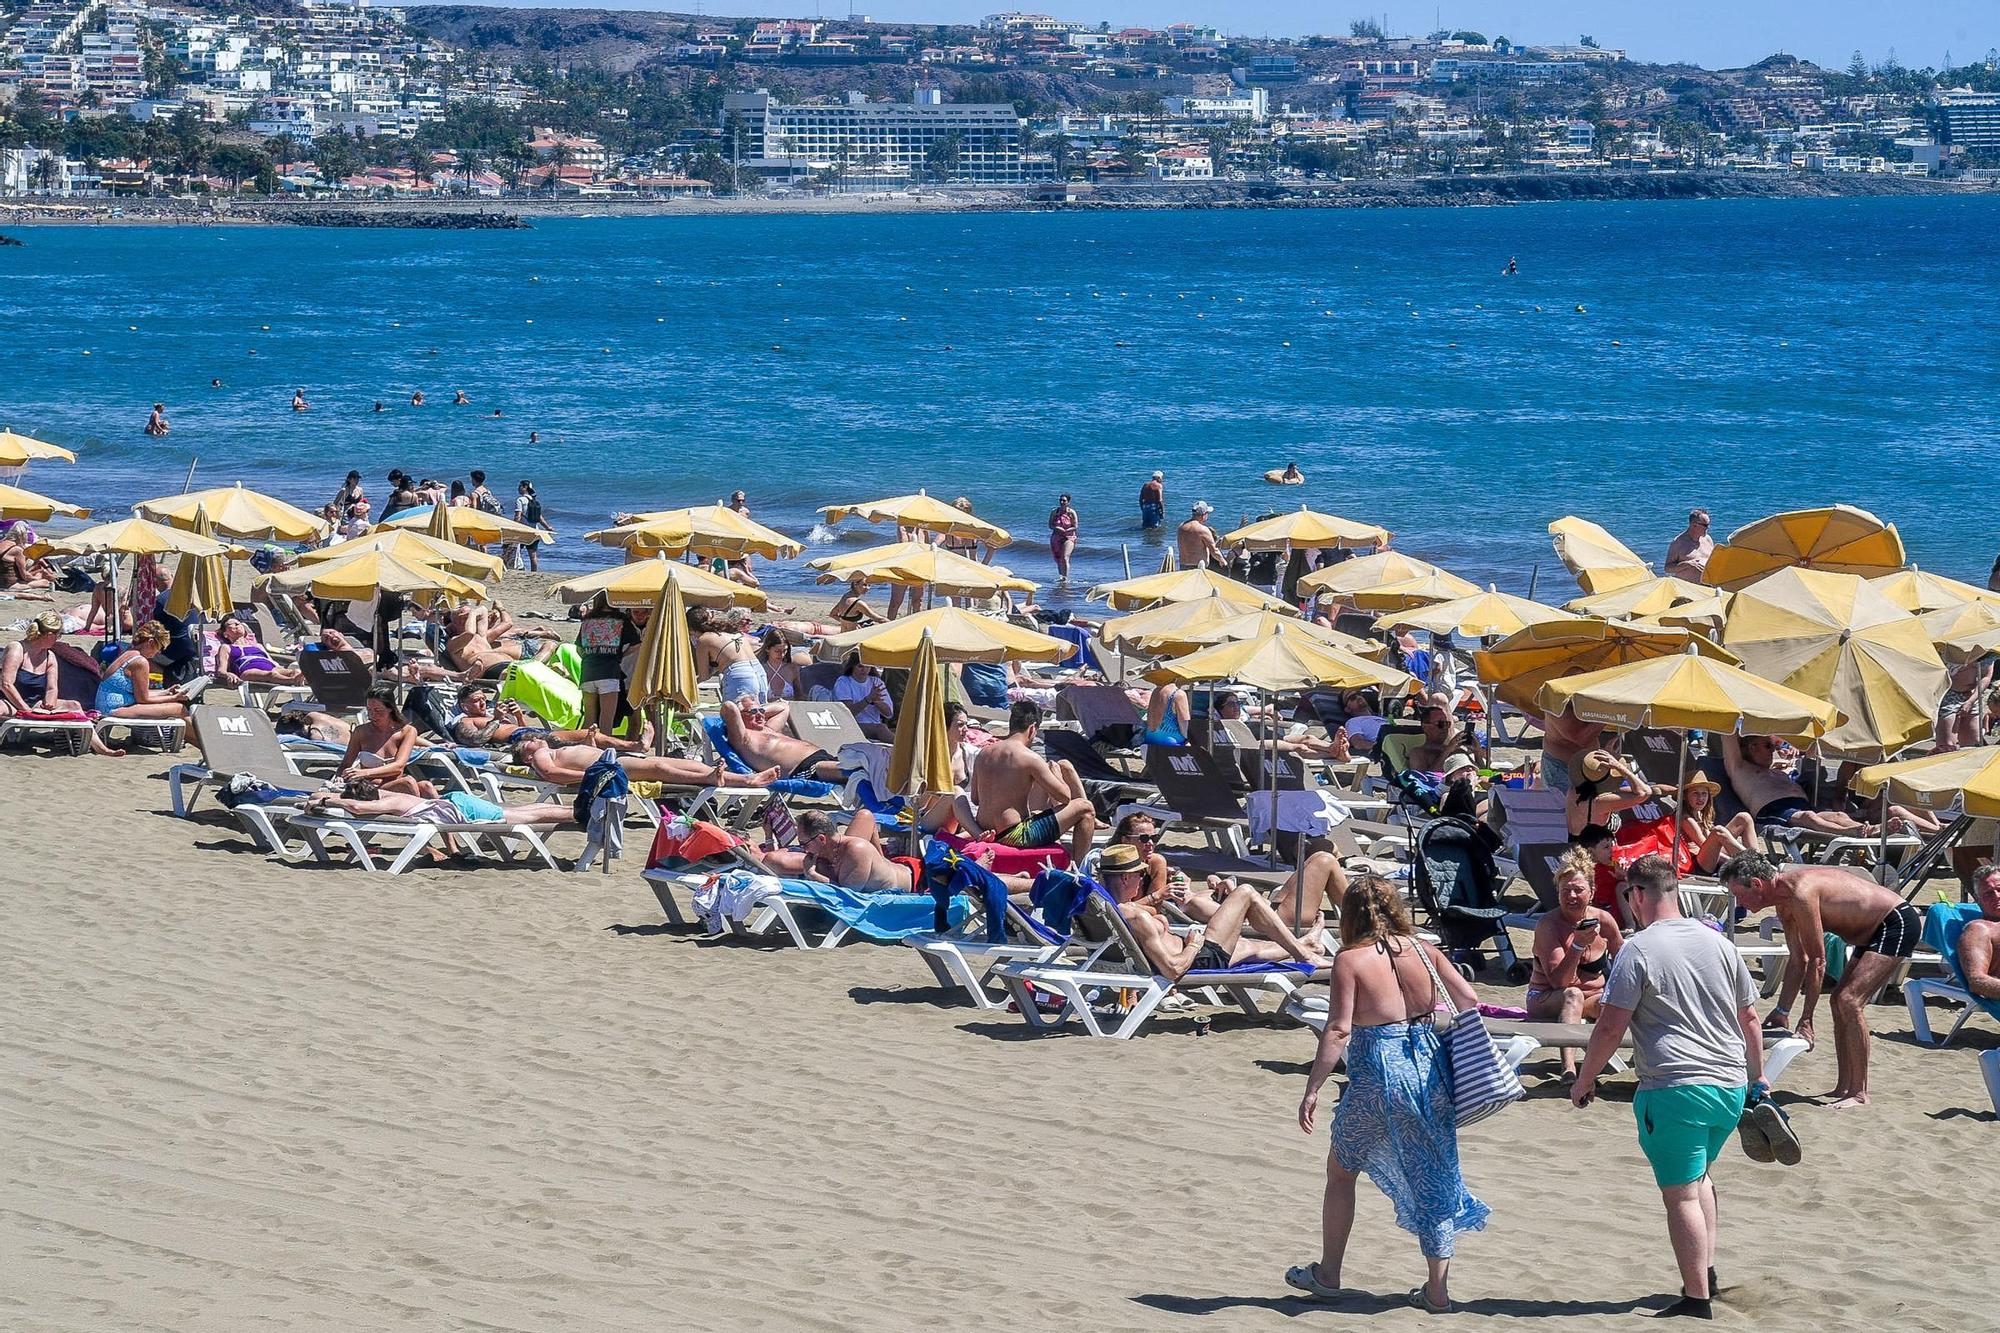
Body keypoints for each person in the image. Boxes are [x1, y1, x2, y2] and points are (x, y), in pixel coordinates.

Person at [1572, 855, 1784, 1321]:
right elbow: (1749, 1016)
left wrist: (1584, 1080)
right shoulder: (1720, 944)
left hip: (1674, 1086)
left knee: (1681, 1194)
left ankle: (1695, 1300)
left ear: (1639, 896)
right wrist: (1758, 1077)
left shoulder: (1639, 948)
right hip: (1728, 1085)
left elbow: (1610, 1026)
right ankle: (1705, 1272)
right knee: (1700, 1179)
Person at [1290, 874, 1486, 1312]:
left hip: (1378, 1074)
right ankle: (1437, 1292)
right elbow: (1469, 997)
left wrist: (1313, 1087)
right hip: (1428, 1067)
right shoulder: (1424, 949)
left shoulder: (1350, 959)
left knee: (1341, 1171)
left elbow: (1339, 1029)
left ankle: (1329, 1273)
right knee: (1433, 1174)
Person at [1720, 852, 1917, 1109]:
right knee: (1838, 1001)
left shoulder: (1800, 893)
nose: (1739, 902)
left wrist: (1807, 1020)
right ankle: (1845, 1086)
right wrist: (1782, 1011)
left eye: (1739, 894)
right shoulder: (1783, 902)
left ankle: (1860, 1092)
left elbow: (1817, 961)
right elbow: (1798, 959)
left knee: (1849, 1001)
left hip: (1895, 921)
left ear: (1757, 884)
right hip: (1870, 931)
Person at [1102, 843, 1327, 977]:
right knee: (1246, 893)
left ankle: (1306, 944)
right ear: (1125, 878)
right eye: (1140, 875)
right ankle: (1305, 954)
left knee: (1248, 946)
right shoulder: (1137, 916)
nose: (1142, 880)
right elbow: (1173, 970)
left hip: (1197, 951)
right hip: (1198, 958)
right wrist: (1193, 945)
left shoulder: (1106, 908)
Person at [1527, 846, 1626, 1073]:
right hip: (1546, 998)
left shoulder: (1604, 920)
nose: (1571, 896)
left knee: (1627, 1002)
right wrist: (1578, 944)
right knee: (1573, 994)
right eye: (1565, 890)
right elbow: (1560, 983)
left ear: (1591, 891)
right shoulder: (1549, 925)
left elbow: (1623, 963)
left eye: (1578, 890)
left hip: (1592, 999)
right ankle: (1569, 1068)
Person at [1721, 734, 1924, 840]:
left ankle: (1866, 829)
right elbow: (1727, 734)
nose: (1774, 750)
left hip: (1799, 805)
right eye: (1768, 746)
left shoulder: (1774, 769)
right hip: (1774, 810)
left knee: (1839, 816)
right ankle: (1856, 833)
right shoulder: (1739, 769)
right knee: (1809, 818)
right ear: (1751, 747)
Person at [969, 700, 1098, 864]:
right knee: (1085, 808)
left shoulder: (984, 753)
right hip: (1014, 835)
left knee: (1037, 813)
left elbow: (975, 798)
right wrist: (1055, 772)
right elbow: (1065, 797)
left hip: (985, 828)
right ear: (1032, 729)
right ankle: (1079, 867)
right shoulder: (1029, 757)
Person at [512, 736, 777, 789]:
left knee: (684, 764)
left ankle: (747, 779)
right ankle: (708, 778)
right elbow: (551, 773)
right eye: (530, 741)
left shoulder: (552, 750)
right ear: (526, 754)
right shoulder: (539, 756)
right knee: (659, 769)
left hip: (613, 762)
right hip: (608, 768)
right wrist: (593, 776)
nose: (535, 738)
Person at [95, 620, 197, 733]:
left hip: (106, 705)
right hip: (114, 710)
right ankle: (202, 743)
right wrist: (174, 698)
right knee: (179, 708)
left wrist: (166, 692)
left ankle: (195, 740)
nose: (158, 652)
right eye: (159, 647)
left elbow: (140, 693)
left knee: (173, 706)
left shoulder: (128, 653)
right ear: (150, 642)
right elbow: (143, 699)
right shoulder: (140, 662)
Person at [336, 685, 436, 798]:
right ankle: (419, 809)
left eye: (378, 710)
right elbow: (345, 764)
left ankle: (443, 813)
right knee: (408, 782)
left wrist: (364, 772)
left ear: (390, 709)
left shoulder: (407, 732)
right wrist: (339, 776)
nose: (372, 715)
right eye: (369, 710)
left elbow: (398, 766)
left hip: (397, 785)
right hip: (370, 788)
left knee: (427, 786)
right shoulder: (361, 732)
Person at [722, 696, 844, 782]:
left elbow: (783, 707)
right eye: (753, 712)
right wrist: (745, 709)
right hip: (805, 768)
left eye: (762, 711)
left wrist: (758, 709)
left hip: (823, 757)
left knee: (858, 765)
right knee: (854, 771)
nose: (760, 715)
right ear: (740, 715)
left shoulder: (769, 728)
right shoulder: (742, 738)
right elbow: (729, 706)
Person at [794, 809, 916, 891]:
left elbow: (848, 894)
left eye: (804, 844)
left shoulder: (856, 850)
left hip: (910, 884)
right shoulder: (832, 849)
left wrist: (812, 874)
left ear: (821, 839)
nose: (804, 850)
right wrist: (881, 857)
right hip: (894, 869)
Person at [575, 595, 639, 734]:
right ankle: (603, 751)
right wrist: (620, 655)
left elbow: (579, 649)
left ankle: (586, 749)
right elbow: (636, 645)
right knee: (606, 719)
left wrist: (591, 656)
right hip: (609, 672)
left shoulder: (588, 619)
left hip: (587, 672)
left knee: (589, 717)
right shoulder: (621, 619)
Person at [1677, 775, 1761, 875]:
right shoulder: (1686, 819)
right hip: (1698, 865)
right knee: (1718, 831)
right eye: (1695, 793)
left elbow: (1713, 845)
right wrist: (1734, 863)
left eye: (1704, 793)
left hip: (1712, 856)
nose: (1701, 798)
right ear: (1685, 796)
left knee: (1744, 817)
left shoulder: (1699, 814)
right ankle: (1757, 865)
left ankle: (1758, 858)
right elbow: (1704, 845)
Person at [1567, 748, 1654, 837]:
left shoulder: (1573, 790)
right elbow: (1644, 793)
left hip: (1575, 843)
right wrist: (1620, 767)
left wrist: (1607, 752)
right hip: (1594, 848)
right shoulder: (1601, 801)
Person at [691, 607, 767, 708]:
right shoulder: (732, 631)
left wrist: (689, 685)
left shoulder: (704, 640)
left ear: (691, 628)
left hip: (739, 676)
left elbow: (704, 676)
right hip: (759, 672)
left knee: (734, 716)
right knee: (759, 715)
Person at [212, 613, 305, 688]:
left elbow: (272, 662)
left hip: (271, 667)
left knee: (296, 671)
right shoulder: (226, 647)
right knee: (271, 674)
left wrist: (283, 669)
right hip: (247, 670)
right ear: (225, 634)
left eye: (238, 623)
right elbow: (221, 670)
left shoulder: (258, 646)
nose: (237, 625)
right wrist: (228, 675)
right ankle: (293, 681)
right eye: (231, 624)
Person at [1537, 703, 1603, 793]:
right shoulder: (1559, 701)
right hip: (1562, 767)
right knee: (1565, 805)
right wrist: (1608, 714)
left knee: (1590, 803)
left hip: (1588, 766)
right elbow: (1579, 737)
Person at [831, 651, 895, 742]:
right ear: (852, 666)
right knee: (881, 728)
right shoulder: (843, 682)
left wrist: (877, 702)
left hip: (875, 724)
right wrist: (868, 699)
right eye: (860, 666)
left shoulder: (876, 682)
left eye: (867, 666)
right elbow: (847, 713)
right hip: (853, 725)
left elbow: (889, 714)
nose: (864, 670)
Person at [1961, 863, 2000, 1005]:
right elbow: (1977, 981)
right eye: (1989, 893)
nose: (1996, 896)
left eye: (1999, 889)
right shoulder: (1979, 929)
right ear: (1978, 900)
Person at [1665, 509, 1714, 583]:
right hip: (1688, 589)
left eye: (1709, 524)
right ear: (1694, 525)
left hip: (1707, 587)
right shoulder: (1678, 543)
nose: (1708, 528)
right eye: (1705, 525)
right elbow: (1668, 568)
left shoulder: (1708, 539)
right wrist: (1687, 564)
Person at [514, 481, 553, 571]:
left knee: (516, 552)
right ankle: (534, 573)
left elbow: (518, 516)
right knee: (533, 556)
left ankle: (517, 569)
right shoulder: (534, 501)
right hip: (534, 531)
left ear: (524, 487)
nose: (518, 488)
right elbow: (540, 518)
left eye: (520, 486)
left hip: (522, 532)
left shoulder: (520, 500)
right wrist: (548, 527)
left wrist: (513, 527)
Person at [1141, 678, 1189, 748]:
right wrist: (1186, 739)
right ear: (1177, 678)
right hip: (1171, 742)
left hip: (1150, 739)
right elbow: (1183, 721)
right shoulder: (1180, 694)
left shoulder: (1156, 691)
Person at [1177, 501, 1222, 570]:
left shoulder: (1181, 527)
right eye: (1207, 513)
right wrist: (1223, 562)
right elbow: (1214, 551)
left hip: (1183, 565)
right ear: (1204, 515)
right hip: (1198, 567)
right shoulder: (1203, 530)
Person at [1048, 493, 1078, 584]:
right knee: (1058, 558)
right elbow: (1050, 525)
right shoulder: (1055, 512)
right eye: (1060, 500)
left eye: (1064, 500)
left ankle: (1065, 578)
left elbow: (1076, 526)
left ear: (1068, 502)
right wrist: (1056, 528)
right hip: (1056, 536)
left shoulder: (1071, 512)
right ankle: (1061, 577)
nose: (1062, 502)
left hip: (1069, 536)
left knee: (1065, 557)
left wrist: (1067, 529)